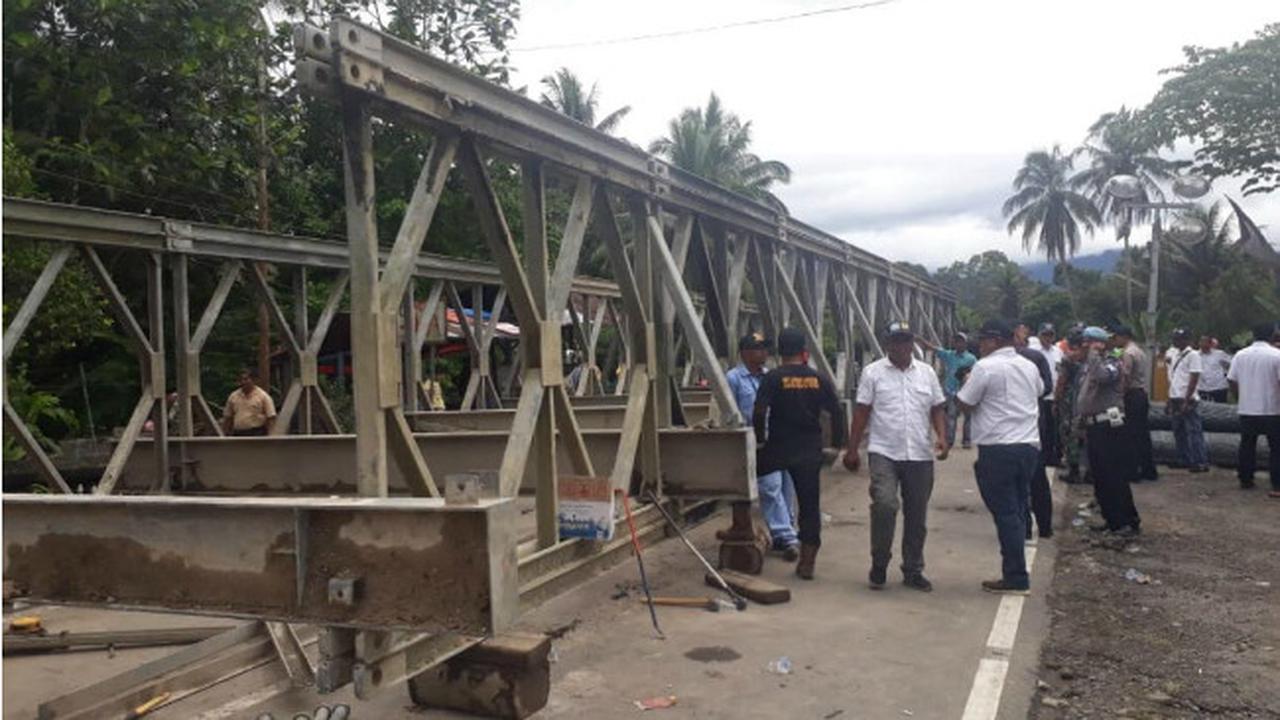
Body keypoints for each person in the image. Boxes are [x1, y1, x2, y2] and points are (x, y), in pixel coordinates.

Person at [844, 321, 948, 592]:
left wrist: (942, 437)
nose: (901, 346)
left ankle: (913, 569)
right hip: (884, 452)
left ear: (911, 342)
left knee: (917, 515)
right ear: (887, 343)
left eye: (905, 340)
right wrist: (852, 449)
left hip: (920, 454)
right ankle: (879, 562)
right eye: (895, 341)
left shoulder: (926, 373)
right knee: (885, 505)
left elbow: (937, 408)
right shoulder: (873, 373)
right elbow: (862, 412)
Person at [956, 319, 1043, 595]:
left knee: (1005, 512)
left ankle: (1016, 575)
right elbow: (1040, 391)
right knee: (1017, 506)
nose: (979, 345)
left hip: (998, 448)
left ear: (994, 341)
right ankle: (1016, 569)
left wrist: (966, 384)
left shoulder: (985, 367)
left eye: (982, 340)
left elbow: (966, 404)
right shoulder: (1029, 366)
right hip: (1028, 445)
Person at [753, 328, 846, 580]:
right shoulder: (818, 379)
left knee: (744, 482)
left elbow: (760, 411)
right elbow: (837, 411)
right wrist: (836, 445)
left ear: (780, 352)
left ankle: (743, 531)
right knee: (809, 505)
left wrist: (760, 441)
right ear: (804, 351)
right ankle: (807, 561)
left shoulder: (773, 378)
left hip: (778, 446)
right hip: (808, 449)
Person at [722, 333, 799, 561]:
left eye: (765, 348)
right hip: (755, 440)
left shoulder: (771, 377)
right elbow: (729, 411)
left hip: (779, 437)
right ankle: (785, 535)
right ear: (745, 353)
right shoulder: (734, 378)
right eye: (758, 349)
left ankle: (788, 529)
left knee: (787, 484)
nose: (764, 353)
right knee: (770, 486)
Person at [1077, 327, 1141, 536]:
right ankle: (1111, 519)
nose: (1084, 346)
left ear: (1099, 344)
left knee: (1113, 474)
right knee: (1101, 477)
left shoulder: (1113, 362)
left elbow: (1103, 377)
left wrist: (1094, 355)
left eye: (1088, 342)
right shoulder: (1089, 364)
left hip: (1109, 426)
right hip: (1094, 425)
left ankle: (1125, 521)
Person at [1227, 322, 1280, 496]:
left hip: (1247, 408)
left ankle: (1246, 479)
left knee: (1247, 445)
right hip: (1272, 409)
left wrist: (1239, 398)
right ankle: (1277, 484)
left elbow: (1232, 379)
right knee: (1276, 448)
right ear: (1272, 335)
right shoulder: (1276, 355)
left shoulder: (1240, 355)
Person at [1113, 326, 1158, 483]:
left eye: (1116, 337)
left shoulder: (1128, 353)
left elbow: (1125, 377)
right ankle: (1148, 469)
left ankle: (1133, 471)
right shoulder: (1139, 351)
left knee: (1130, 434)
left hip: (1132, 395)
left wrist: (1119, 396)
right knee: (1142, 434)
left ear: (1124, 337)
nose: (1115, 341)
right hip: (1141, 394)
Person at [1166, 329, 1209, 473]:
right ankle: (1183, 458)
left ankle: (1200, 461)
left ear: (1188, 340)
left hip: (1188, 398)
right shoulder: (1174, 354)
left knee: (1194, 431)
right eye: (1175, 338)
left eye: (1179, 339)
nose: (1176, 341)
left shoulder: (1193, 355)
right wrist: (1170, 398)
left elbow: (1194, 377)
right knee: (1178, 431)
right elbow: (1173, 378)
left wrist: (1187, 399)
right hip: (1175, 397)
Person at [1055, 332, 1089, 484]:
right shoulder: (1091, 358)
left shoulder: (1068, 359)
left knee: (1069, 434)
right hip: (1088, 401)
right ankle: (1089, 472)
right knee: (1087, 436)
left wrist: (1056, 401)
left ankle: (1074, 470)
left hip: (1070, 401)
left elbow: (1061, 381)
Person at [933, 332, 976, 449]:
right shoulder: (949, 355)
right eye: (956, 341)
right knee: (951, 416)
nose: (958, 344)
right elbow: (934, 349)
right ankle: (950, 440)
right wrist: (920, 341)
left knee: (968, 417)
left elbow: (975, 373)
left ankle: (967, 440)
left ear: (965, 343)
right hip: (951, 390)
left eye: (961, 341)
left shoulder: (971, 358)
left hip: (966, 390)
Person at [1030, 324, 1063, 466]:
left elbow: (1061, 372)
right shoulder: (1034, 352)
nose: (1048, 338)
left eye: (1050, 335)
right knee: (1041, 428)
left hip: (1056, 395)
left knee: (1054, 429)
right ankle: (1041, 457)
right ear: (1039, 336)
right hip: (1041, 395)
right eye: (1045, 335)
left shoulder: (1058, 352)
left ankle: (1052, 456)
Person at [221, 369, 276, 436]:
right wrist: (224, 435)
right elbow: (228, 417)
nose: (243, 382)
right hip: (238, 433)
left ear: (253, 380)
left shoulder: (263, 396)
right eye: (241, 380)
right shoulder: (233, 396)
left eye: (246, 379)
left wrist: (271, 436)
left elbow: (271, 418)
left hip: (256, 433)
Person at [1196, 335, 1232, 403]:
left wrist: (1227, 371)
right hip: (1202, 388)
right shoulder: (1195, 355)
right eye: (1201, 342)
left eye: (1205, 342)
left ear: (1210, 344)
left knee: (1220, 408)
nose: (1203, 344)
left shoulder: (1220, 354)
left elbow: (1231, 364)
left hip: (1219, 387)